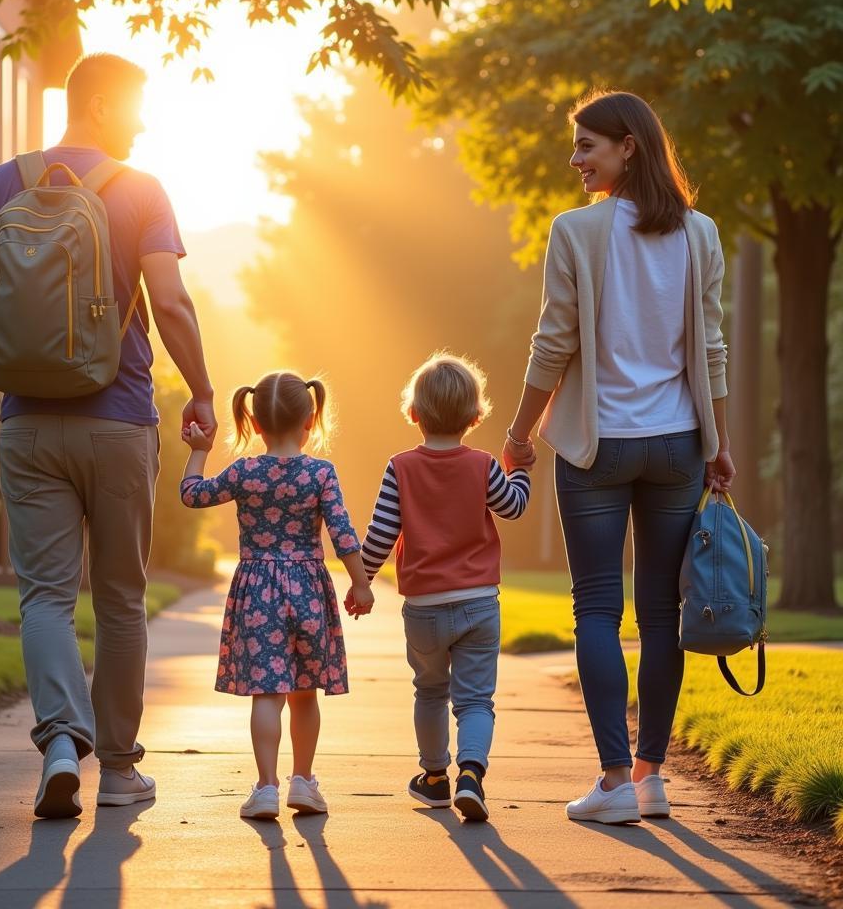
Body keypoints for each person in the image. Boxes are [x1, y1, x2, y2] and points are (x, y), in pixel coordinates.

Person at [0, 53, 216, 818]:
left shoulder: (3, 183)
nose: (142, 122)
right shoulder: (140, 189)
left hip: (27, 422)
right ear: (98, 103)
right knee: (122, 600)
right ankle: (121, 772)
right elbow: (171, 303)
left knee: (45, 599)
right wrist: (200, 387)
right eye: (135, 107)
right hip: (119, 420)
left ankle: (62, 742)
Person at [502, 90, 736, 826]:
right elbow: (713, 349)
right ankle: (651, 777)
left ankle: (612, 784)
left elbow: (553, 343)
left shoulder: (574, 232)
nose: (575, 161)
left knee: (597, 611)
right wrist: (718, 444)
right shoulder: (701, 234)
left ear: (628, 145)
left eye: (586, 147)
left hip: (598, 447)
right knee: (660, 615)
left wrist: (516, 436)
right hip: (676, 446)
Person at [180, 371, 374, 819]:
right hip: (307, 587)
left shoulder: (245, 471)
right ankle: (302, 781)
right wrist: (361, 584)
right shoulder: (320, 472)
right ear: (310, 419)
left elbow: (192, 495)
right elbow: (343, 534)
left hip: (257, 591)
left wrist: (199, 452)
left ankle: (266, 787)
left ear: (255, 422)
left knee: (266, 693)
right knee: (304, 692)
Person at [357, 353, 530, 822]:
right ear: (476, 416)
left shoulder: (401, 468)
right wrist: (522, 471)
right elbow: (513, 507)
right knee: (475, 699)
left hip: (424, 607)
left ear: (414, 413)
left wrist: (362, 582)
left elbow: (380, 534)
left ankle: (434, 778)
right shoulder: (484, 465)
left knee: (430, 691)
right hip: (478, 602)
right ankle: (471, 774)